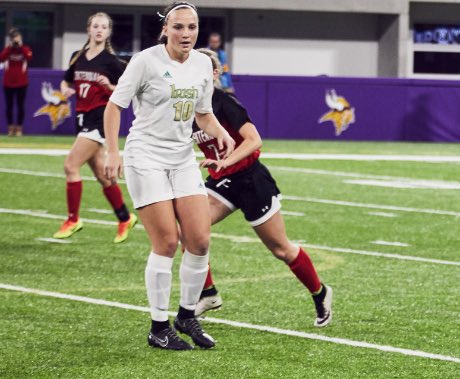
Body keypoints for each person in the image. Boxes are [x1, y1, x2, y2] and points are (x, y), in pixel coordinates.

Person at [103, 2, 235, 351]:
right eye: (178, 27)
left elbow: (203, 113)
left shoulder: (204, 63)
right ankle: (158, 326)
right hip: (146, 156)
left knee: (200, 241)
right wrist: (112, 151)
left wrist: (219, 131)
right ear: (166, 29)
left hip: (182, 158)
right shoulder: (145, 61)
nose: (186, 34)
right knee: (166, 242)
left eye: (191, 27)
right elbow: (114, 105)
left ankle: (186, 316)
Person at [190, 49, 333, 327]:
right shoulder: (188, 107)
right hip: (222, 182)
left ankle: (320, 292)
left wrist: (225, 161)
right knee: (191, 229)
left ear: (216, 74)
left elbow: (254, 140)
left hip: (250, 179)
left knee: (281, 249)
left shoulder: (224, 102)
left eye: (204, 69)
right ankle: (208, 293)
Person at [53, 12, 138, 243]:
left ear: (108, 32)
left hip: (99, 121)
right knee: (103, 176)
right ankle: (125, 218)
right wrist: (66, 89)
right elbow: (66, 80)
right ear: (89, 29)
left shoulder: (112, 62)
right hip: (81, 120)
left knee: (70, 165)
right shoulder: (77, 56)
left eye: (104, 27)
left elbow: (127, 92)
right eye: (95, 26)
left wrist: (109, 86)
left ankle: (73, 219)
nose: (99, 30)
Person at [1, 28, 32, 136]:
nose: (15, 41)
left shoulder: (25, 49)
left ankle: (19, 128)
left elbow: (29, 57)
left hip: (21, 82)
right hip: (8, 82)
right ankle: (10, 128)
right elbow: (1, 58)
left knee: (20, 106)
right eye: (14, 39)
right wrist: (9, 47)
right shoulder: (8, 49)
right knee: (9, 106)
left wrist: (20, 46)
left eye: (17, 39)